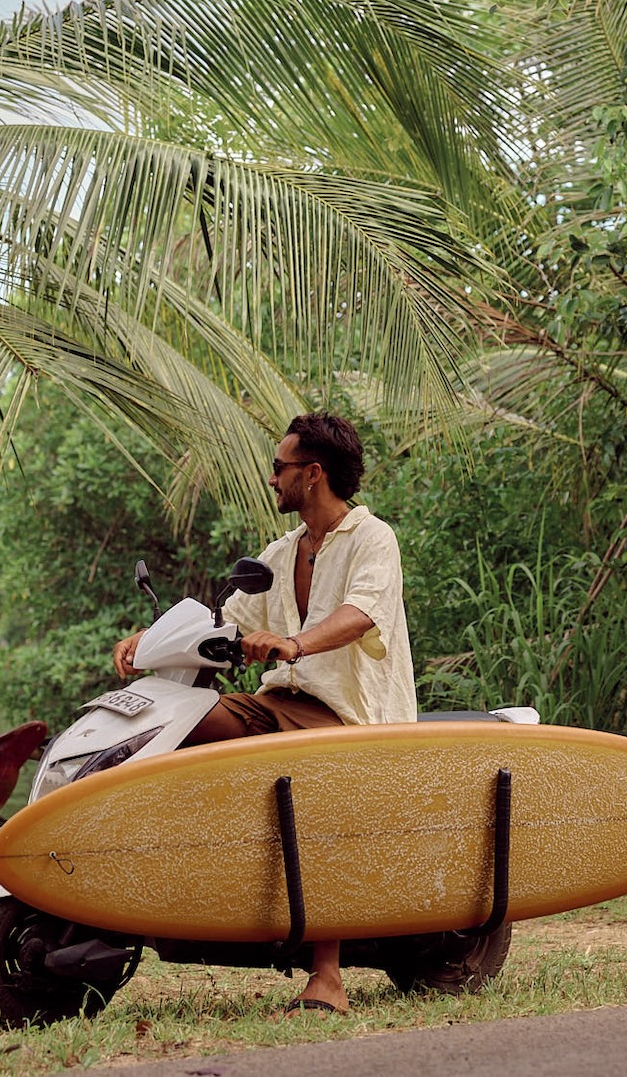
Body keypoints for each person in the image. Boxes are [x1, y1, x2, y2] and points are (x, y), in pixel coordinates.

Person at [111, 411, 415, 1015]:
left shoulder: (372, 539)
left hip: (351, 715)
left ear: (312, 474)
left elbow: (360, 615)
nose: (270, 478)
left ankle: (327, 977)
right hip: (277, 705)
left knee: (315, 801)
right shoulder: (280, 552)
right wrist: (149, 641)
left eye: (279, 468)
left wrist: (295, 642)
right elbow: (226, 623)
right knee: (179, 721)